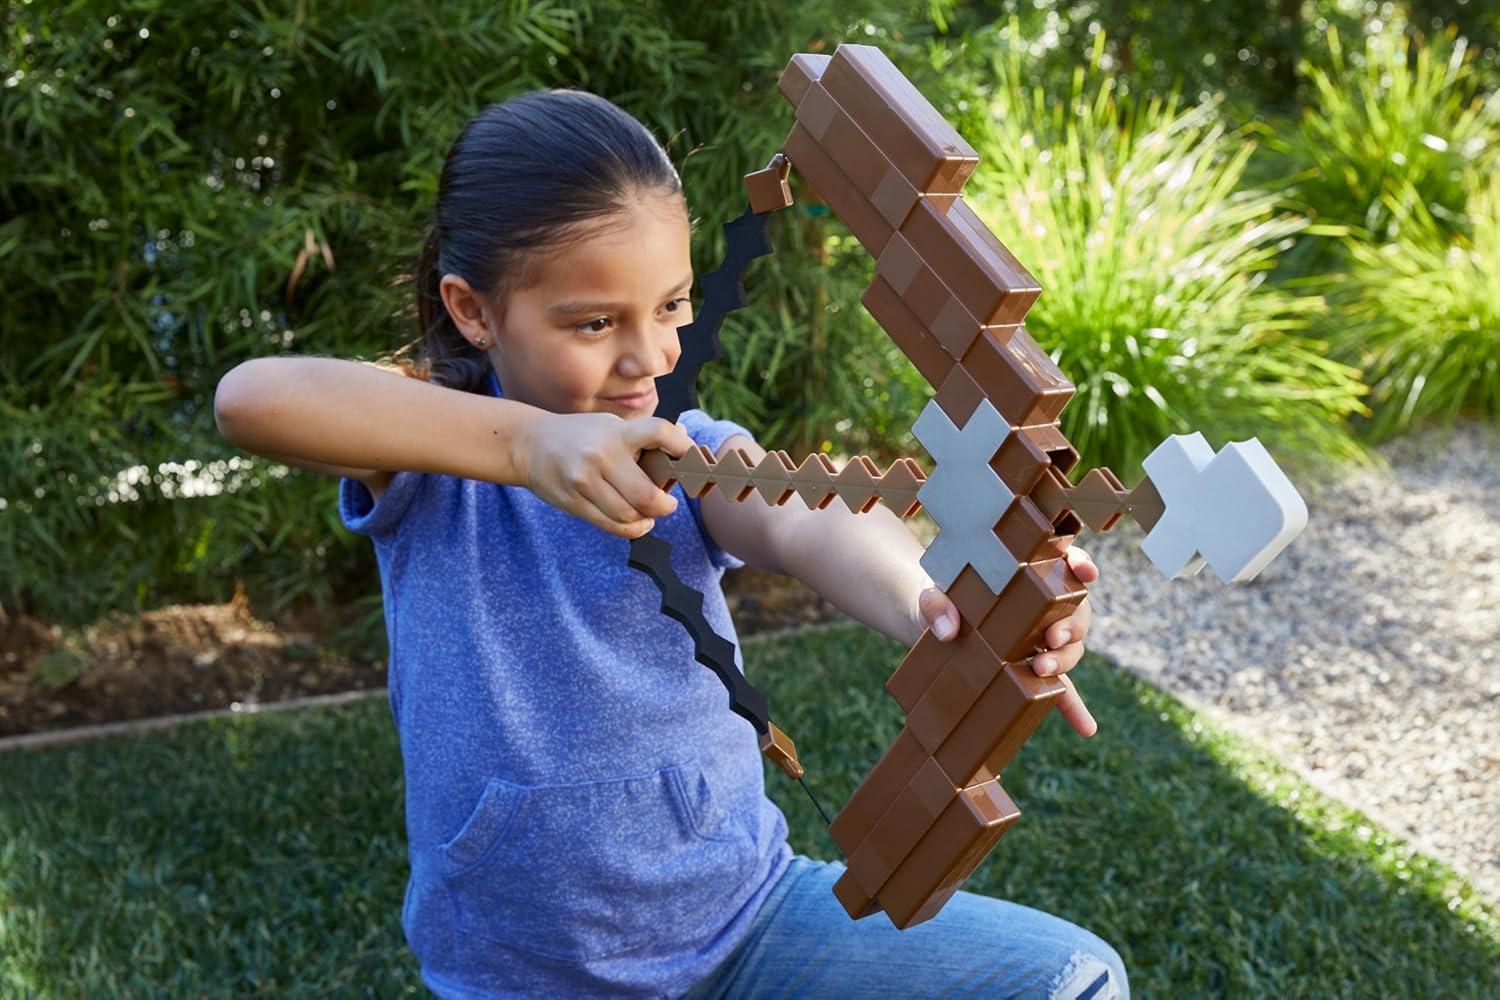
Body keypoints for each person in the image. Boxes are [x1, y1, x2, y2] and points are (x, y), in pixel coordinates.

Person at [213, 89, 1127, 1000]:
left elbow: (803, 516)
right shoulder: (430, 466)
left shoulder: (686, 449)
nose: (650, 356)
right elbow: (250, 400)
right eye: (594, 322)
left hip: (747, 925)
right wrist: (529, 448)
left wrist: (931, 602)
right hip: (519, 979)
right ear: (474, 311)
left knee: (1069, 980)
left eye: (672, 305)